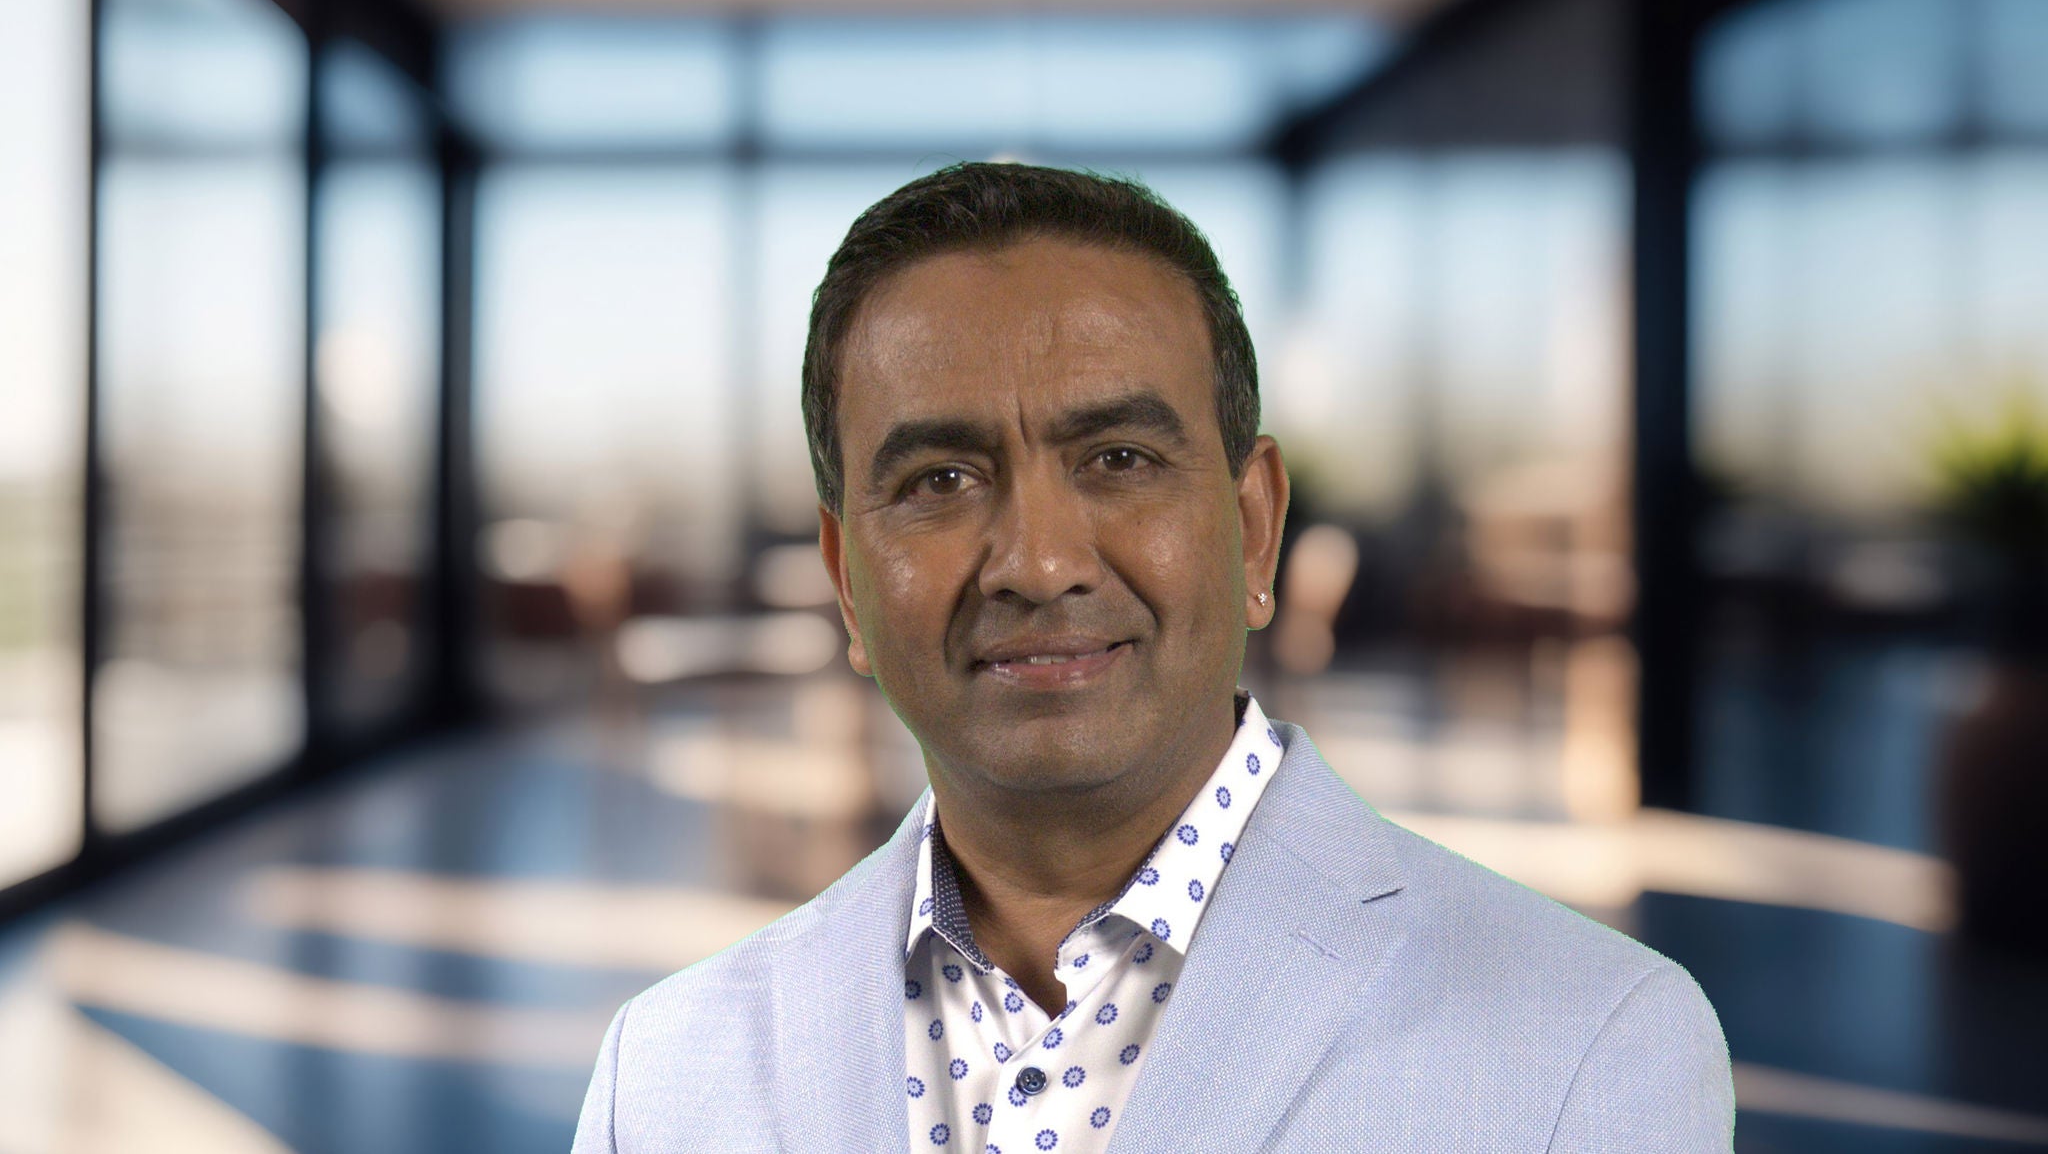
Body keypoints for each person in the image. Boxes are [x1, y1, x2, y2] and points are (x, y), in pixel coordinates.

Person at [571, 163, 1734, 1152]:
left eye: (1117, 459)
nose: (1038, 563)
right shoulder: (660, 1078)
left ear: (1254, 528)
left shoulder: (1589, 1044)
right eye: (940, 480)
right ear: (847, 580)